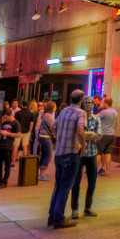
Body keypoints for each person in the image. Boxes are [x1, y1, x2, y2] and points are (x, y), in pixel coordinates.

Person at [47, 90, 86, 229]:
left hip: (59, 152)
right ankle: (59, 218)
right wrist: (84, 145)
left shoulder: (63, 111)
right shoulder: (81, 113)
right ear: (81, 99)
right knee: (65, 187)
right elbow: (81, 131)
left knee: (58, 185)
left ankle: (52, 216)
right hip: (71, 152)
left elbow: (53, 126)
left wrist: (58, 138)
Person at [70, 101, 102, 219]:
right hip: (78, 154)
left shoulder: (96, 119)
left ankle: (88, 207)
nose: (88, 104)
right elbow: (75, 134)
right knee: (76, 183)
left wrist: (82, 134)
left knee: (92, 182)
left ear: (93, 104)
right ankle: (74, 209)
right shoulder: (77, 117)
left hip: (92, 154)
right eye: (86, 102)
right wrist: (89, 134)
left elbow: (99, 136)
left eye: (90, 102)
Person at [0, 106, 21, 188]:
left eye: (5, 116)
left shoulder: (16, 123)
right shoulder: (4, 123)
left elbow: (18, 135)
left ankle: (4, 182)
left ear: (10, 115)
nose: (4, 118)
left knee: (7, 166)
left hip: (8, 146)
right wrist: (0, 132)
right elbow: (3, 131)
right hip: (1, 145)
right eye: (3, 117)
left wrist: (7, 134)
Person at [96, 97, 118, 176]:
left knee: (98, 152)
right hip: (111, 134)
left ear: (106, 103)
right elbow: (116, 124)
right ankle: (107, 171)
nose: (102, 104)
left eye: (103, 103)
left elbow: (95, 118)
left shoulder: (104, 112)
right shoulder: (115, 112)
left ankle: (94, 171)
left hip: (103, 134)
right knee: (108, 152)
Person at [35, 100, 56, 180]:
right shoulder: (48, 116)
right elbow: (53, 127)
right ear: (51, 107)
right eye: (55, 106)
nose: (56, 108)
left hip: (43, 136)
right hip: (45, 137)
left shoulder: (45, 115)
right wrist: (55, 135)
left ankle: (42, 173)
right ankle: (42, 174)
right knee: (49, 155)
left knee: (44, 155)